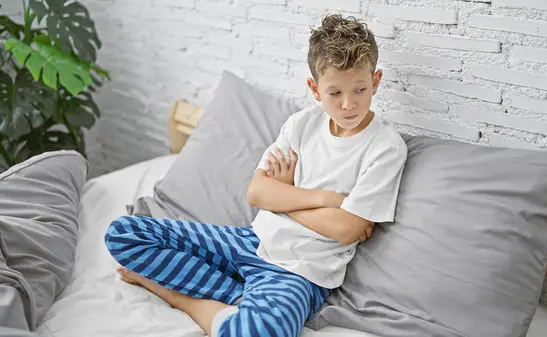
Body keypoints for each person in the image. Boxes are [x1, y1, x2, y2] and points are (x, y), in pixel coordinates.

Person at [104, 14, 407, 337]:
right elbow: (257, 193)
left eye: (360, 89)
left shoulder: (385, 147)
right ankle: (244, 295)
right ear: (315, 89)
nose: (349, 104)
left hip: (300, 271)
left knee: (256, 333)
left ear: (375, 81)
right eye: (335, 93)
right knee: (123, 233)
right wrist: (326, 200)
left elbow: (347, 228)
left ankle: (179, 297)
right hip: (252, 241)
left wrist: (284, 197)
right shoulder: (302, 125)